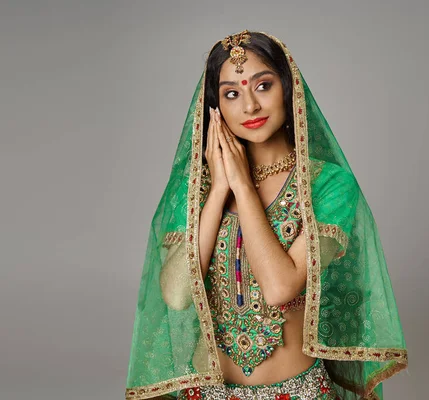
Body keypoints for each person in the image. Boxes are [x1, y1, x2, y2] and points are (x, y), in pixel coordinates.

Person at [125, 30, 408, 400]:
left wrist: (243, 188)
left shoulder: (327, 184)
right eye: (231, 93)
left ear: (288, 90)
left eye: (263, 86)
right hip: (207, 393)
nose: (250, 106)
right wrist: (218, 191)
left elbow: (280, 287)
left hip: (299, 393)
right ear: (215, 107)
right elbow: (177, 294)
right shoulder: (195, 186)